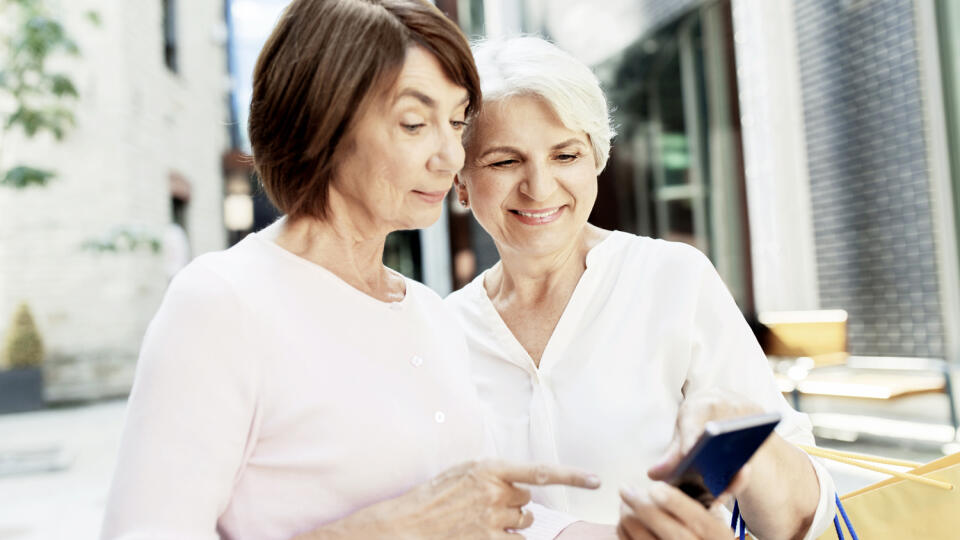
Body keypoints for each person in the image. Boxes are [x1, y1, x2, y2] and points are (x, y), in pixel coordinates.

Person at [100, 5, 601, 539]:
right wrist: (389, 530)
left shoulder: (429, 313)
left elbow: (478, 515)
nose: (451, 155)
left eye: (456, 123)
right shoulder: (223, 303)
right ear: (323, 123)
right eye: (415, 123)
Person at [445, 36, 837, 540]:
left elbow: (799, 521)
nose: (539, 187)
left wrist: (743, 434)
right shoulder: (445, 330)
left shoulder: (672, 278)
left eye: (565, 155)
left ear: (596, 160)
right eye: (504, 161)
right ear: (459, 180)